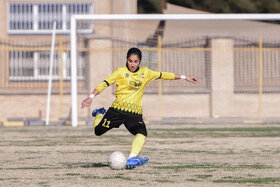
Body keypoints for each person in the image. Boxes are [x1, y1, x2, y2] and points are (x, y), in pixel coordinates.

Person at [81, 47, 197, 168]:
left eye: (135, 61)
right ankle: (100, 113)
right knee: (98, 131)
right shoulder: (120, 72)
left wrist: (185, 77)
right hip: (117, 111)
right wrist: (90, 97)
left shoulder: (145, 73)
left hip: (134, 114)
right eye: (130, 61)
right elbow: (104, 84)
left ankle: (131, 158)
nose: (132, 64)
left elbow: (164, 75)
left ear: (140, 61)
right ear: (127, 59)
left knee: (142, 133)